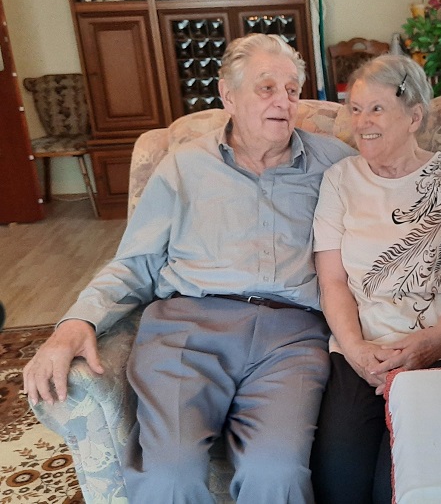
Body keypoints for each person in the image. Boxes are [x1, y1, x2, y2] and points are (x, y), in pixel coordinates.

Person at [22, 34, 357, 503]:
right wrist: (76, 321)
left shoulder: (337, 165)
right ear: (228, 95)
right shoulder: (183, 167)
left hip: (291, 339)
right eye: (266, 88)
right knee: (169, 477)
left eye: (292, 89)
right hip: (187, 331)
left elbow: (397, 208)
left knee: (276, 472)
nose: (284, 102)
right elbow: (134, 262)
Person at [310, 54, 441, 504]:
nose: (362, 122)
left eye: (376, 109)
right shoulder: (338, 181)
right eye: (354, 108)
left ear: (413, 117)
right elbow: (331, 280)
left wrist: (436, 340)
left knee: (401, 482)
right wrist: (355, 349)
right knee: (339, 481)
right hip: (362, 352)